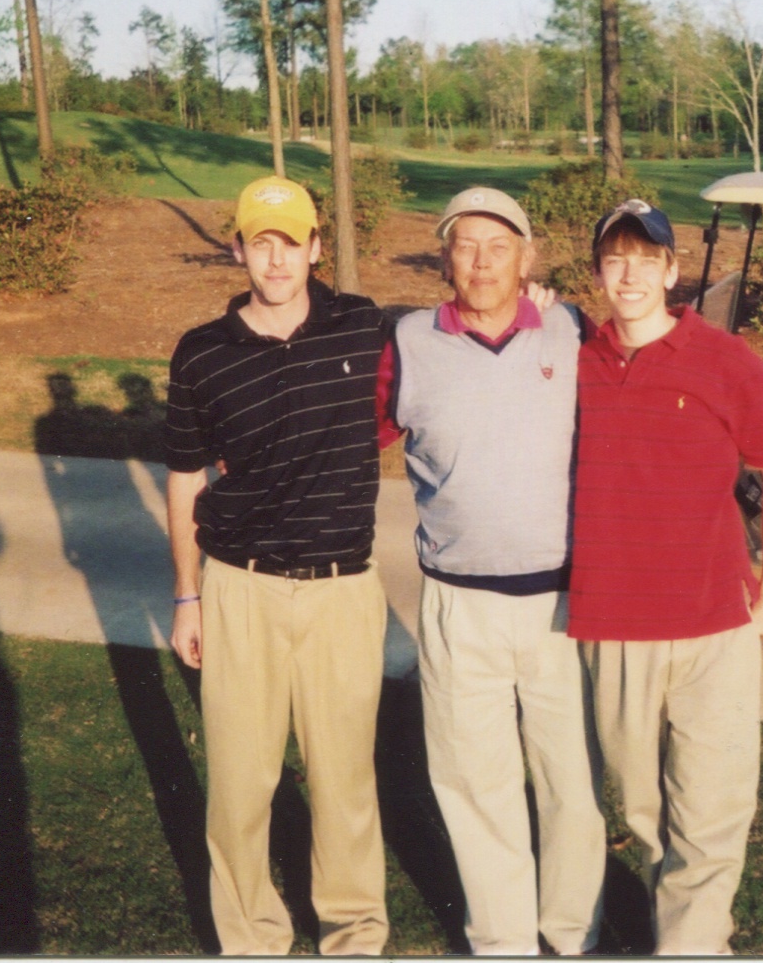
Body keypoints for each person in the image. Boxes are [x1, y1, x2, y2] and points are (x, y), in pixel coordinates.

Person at [375, 187, 606, 956]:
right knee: (477, 787)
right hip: (456, 603)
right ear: (444, 255)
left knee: (570, 782)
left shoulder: (572, 330)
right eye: (465, 245)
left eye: (498, 246)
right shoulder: (407, 340)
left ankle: (570, 935)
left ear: (527, 257)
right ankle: (503, 942)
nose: (480, 262)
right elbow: (349, 437)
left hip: (562, 605)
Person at [165, 175, 390, 956]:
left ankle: (354, 934)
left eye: (290, 242)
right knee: (237, 786)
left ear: (316, 248)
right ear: (237, 250)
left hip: (342, 590)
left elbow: (461, 342)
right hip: (240, 587)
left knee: (344, 786)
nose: (276, 259)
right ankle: (251, 938)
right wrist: (187, 598)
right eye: (260, 242)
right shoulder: (201, 353)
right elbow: (185, 476)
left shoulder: (364, 330)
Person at [567, 198, 763, 955]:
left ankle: (692, 945)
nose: (629, 274)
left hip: (712, 628)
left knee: (710, 806)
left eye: (645, 259)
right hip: (614, 626)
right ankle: (684, 924)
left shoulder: (728, 362)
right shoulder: (573, 361)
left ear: (671, 269)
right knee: (642, 809)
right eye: (614, 259)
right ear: (599, 270)